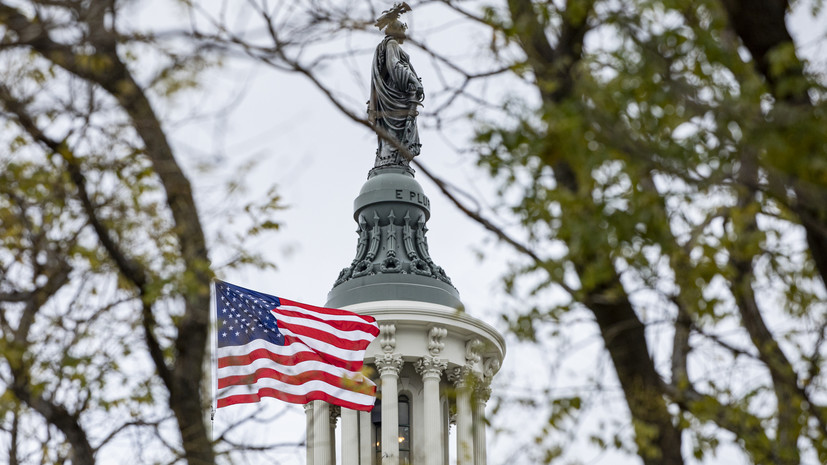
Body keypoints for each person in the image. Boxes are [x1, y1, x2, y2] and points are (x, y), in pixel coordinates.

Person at [368, 18, 424, 169]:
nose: (404, 36)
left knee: (391, 133)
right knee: (396, 131)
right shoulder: (391, 43)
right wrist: (414, 81)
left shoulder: (384, 45)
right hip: (395, 95)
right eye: (403, 31)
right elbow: (394, 64)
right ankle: (393, 160)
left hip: (391, 96)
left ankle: (388, 160)